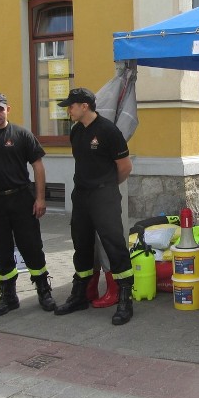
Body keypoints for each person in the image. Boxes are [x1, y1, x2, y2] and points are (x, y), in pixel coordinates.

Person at [54, 87, 135, 325]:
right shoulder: (77, 131)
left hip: (104, 196)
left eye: (71, 105)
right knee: (82, 245)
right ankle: (80, 294)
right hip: (81, 196)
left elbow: (125, 166)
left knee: (114, 244)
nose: (68, 110)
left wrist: (108, 186)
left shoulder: (108, 131)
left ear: (84, 106)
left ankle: (125, 298)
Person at [0, 92, 55, 317]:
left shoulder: (22, 134)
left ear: (8, 109)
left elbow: (38, 166)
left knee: (31, 246)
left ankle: (43, 290)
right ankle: (8, 297)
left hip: (21, 199)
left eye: (1, 109)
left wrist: (40, 198)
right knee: (1, 249)